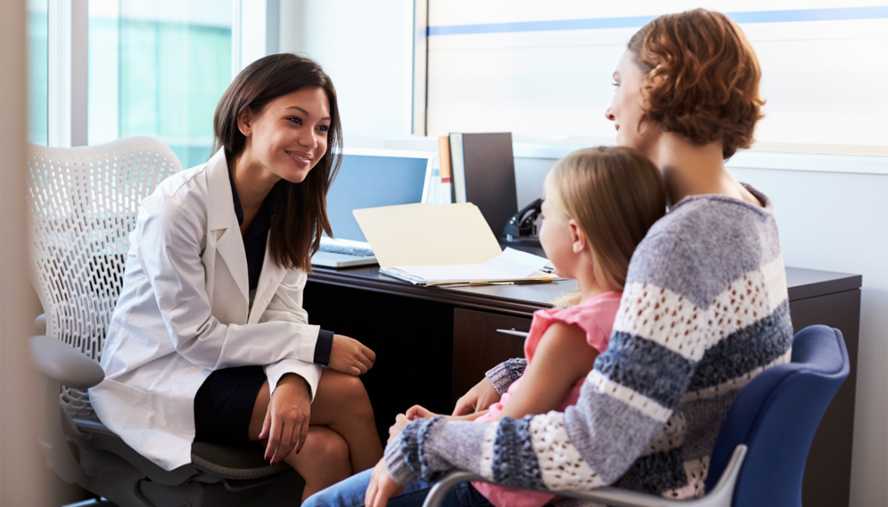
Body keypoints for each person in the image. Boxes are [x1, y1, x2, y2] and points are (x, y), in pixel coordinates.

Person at [306, 8, 794, 507]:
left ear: (660, 84)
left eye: (617, 82)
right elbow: (627, 359)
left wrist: (425, 440)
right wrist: (512, 377)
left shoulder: (681, 244)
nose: (610, 110)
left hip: (619, 489)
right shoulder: (749, 215)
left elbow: (587, 447)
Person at [89, 54, 383, 501]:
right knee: (348, 395)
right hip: (163, 376)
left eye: (322, 128)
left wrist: (291, 381)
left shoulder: (290, 209)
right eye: (295, 121)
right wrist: (319, 347)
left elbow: (286, 314)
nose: (311, 140)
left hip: (234, 367)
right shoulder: (177, 208)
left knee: (324, 450)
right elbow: (195, 339)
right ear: (247, 120)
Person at [393, 146, 666, 507]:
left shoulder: (571, 332)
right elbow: (529, 413)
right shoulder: (635, 311)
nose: (538, 225)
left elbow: (506, 431)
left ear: (575, 234)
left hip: (488, 486)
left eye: (544, 214)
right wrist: (450, 424)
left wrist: (423, 436)